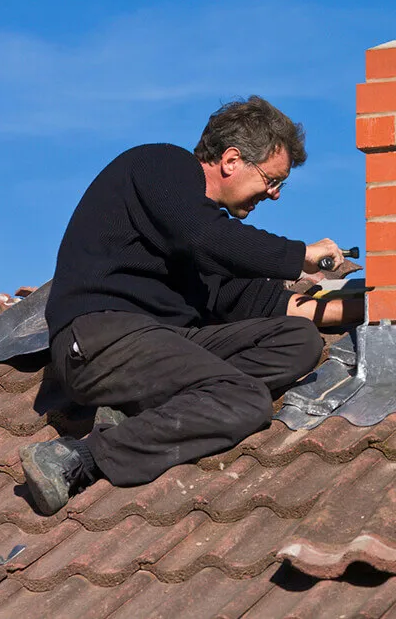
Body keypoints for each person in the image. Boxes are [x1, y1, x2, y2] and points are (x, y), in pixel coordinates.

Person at [20, 96, 361, 515]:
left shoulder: (199, 234)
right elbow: (205, 237)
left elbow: (252, 299)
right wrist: (300, 255)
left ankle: (142, 410)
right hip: (102, 338)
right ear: (232, 159)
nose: (273, 196)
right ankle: (80, 458)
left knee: (298, 340)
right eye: (272, 180)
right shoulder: (160, 167)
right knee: (247, 400)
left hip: (167, 344)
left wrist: (367, 308)